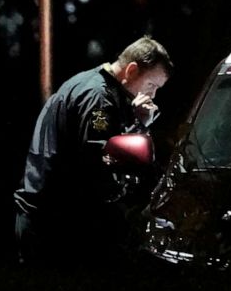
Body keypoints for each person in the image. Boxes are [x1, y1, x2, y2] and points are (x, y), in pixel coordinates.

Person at [13, 35, 172, 267]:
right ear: (131, 70)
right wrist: (140, 127)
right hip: (56, 224)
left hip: (54, 217)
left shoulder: (99, 87)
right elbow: (100, 158)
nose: (153, 95)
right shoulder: (98, 97)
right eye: (151, 85)